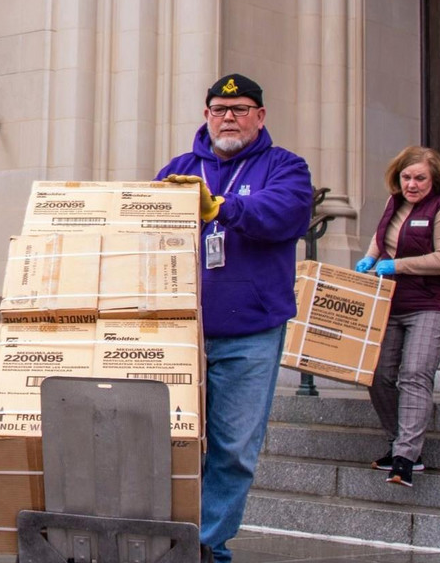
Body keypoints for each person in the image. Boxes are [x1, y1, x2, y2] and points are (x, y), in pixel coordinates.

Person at [155, 73, 312, 563]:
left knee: (234, 448)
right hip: (180, 330)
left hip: (251, 332)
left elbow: (284, 213)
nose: (229, 117)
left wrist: (222, 207)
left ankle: (205, 546)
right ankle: (170, 535)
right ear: (206, 115)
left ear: (259, 117)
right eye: (220, 110)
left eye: (241, 109)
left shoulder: (285, 166)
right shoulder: (179, 169)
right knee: (174, 444)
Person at [355, 146, 440, 488]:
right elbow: (381, 237)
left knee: (414, 373)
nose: (412, 184)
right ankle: (398, 441)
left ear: (434, 180)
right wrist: (369, 259)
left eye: (420, 178)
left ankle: (405, 457)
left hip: (432, 304)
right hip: (392, 304)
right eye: (406, 177)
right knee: (377, 374)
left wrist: (397, 265)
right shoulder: (394, 203)